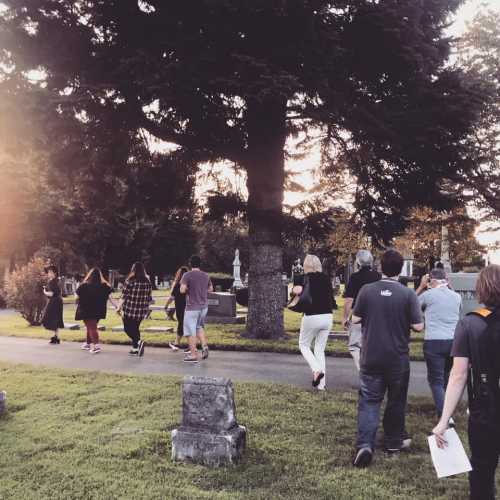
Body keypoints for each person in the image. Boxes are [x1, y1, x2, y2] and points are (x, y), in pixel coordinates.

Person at [351, 249, 424, 468]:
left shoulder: (366, 290)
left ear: (380, 267)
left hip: (371, 355)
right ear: (401, 269)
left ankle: (365, 444)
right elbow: (419, 326)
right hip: (397, 358)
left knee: (369, 401)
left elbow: (355, 319)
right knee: (396, 401)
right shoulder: (408, 294)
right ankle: (393, 442)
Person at [433, 265, 500, 500]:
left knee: (482, 471)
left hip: (485, 409)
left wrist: (443, 420)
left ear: (480, 290)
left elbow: (458, 375)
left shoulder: (469, 324)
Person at [416, 268, 462, 417]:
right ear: (446, 280)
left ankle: (445, 416)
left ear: (432, 280)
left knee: (435, 380)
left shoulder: (428, 295)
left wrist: (422, 286)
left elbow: (411, 304)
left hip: (434, 341)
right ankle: (446, 410)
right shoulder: (456, 296)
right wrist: (449, 285)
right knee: (447, 378)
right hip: (454, 342)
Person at [294, 254, 334, 391]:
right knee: (319, 349)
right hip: (328, 316)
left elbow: (297, 291)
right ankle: (321, 386)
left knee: (303, 345)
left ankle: (317, 370)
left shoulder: (304, 277)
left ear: (305, 266)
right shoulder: (326, 278)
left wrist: (295, 289)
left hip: (312, 316)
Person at [343, 250, 381, 371]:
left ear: (358, 263)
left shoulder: (354, 277)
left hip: (358, 315)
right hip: (376, 316)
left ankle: (364, 373)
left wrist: (345, 317)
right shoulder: (378, 276)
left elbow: (349, 300)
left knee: (354, 346)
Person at [75, 267, 118, 354]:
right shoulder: (104, 286)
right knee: (90, 327)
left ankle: (96, 346)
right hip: (98, 311)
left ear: (89, 276)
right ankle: (87, 343)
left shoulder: (84, 286)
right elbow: (110, 298)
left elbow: (76, 297)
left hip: (86, 309)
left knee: (92, 327)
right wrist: (117, 307)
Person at [180, 256, 212, 363]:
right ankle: (204, 346)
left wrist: (189, 289)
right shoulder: (206, 275)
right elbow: (210, 289)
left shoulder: (187, 275)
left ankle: (193, 355)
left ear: (190, 263)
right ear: (200, 264)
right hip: (204, 307)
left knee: (190, 331)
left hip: (192, 307)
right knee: (199, 327)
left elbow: (182, 290)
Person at [117, 262, 153, 357]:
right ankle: (135, 349)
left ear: (133, 270)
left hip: (129, 309)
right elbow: (149, 297)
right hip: (141, 311)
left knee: (127, 329)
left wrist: (118, 307)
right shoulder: (147, 282)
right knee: (135, 329)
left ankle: (138, 342)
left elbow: (124, 295)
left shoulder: (130, 280)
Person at [165, 266, 189, 351]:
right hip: (190, 307)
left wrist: (166, 305)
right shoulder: (189, 284)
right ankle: (178, 342)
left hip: (180, 307)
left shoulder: (178, 285)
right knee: (184, 324)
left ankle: (177, 343)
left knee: (181, 324)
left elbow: (172, 297)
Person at [42, 265, 65, 344]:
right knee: (55, 319)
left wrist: (44, 291)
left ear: (55, 273)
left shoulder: (52, 282)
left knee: (47, 318)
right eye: (48, 272)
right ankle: (55, 337)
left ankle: (55, 337)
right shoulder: (57, 280)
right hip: (58, 301)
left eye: (50, 272)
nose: (49, 273)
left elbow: (51, 294)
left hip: (54, 301)